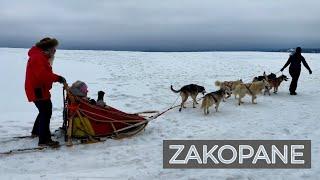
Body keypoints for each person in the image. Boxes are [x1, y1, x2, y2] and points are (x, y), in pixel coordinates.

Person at [25, 37, 66, 147]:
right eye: (53, 49)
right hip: (37, 89)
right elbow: (42, 75)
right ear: (47, 48)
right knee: (46, 111)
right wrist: (58, 78)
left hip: (38, 88)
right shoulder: (38, 57)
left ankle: (37, 132)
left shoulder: (40, 56)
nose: (55, 51)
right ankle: (44, 140)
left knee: (44, 110)